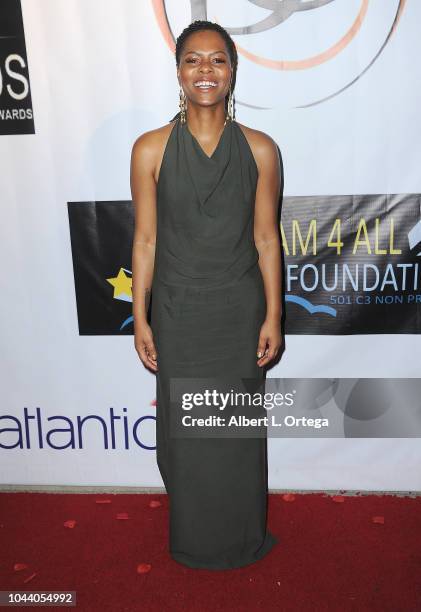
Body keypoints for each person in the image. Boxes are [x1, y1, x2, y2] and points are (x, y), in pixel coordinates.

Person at [130, 20, 283, 570]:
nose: (205, 71)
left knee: (237, 434)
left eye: (218, 60)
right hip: (177, 310)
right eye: (193, 60)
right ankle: (195, 537)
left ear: (233, 73)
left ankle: (242, 538)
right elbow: (144, 239)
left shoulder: (261, 150)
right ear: (178, 71)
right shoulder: (150, 148)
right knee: (189, 436)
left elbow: (267, 238)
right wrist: (141, 319)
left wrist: (274, 316)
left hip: (238, 312)